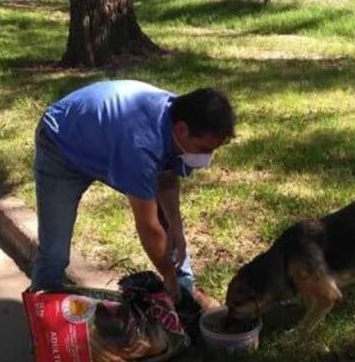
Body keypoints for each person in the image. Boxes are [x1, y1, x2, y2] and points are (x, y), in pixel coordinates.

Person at [31, 80, 235, 301]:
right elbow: (148, 228)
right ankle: (43, 310)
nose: (206, 157)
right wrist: (167, 276)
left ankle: (184, 286)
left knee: (166, 222)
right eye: (204, 149)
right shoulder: (141, 148)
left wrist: (176, 227)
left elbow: (166, 181)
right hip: (61, 143)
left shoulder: (180, 119)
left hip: (105, 137)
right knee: (54, 253)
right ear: (182, 130)